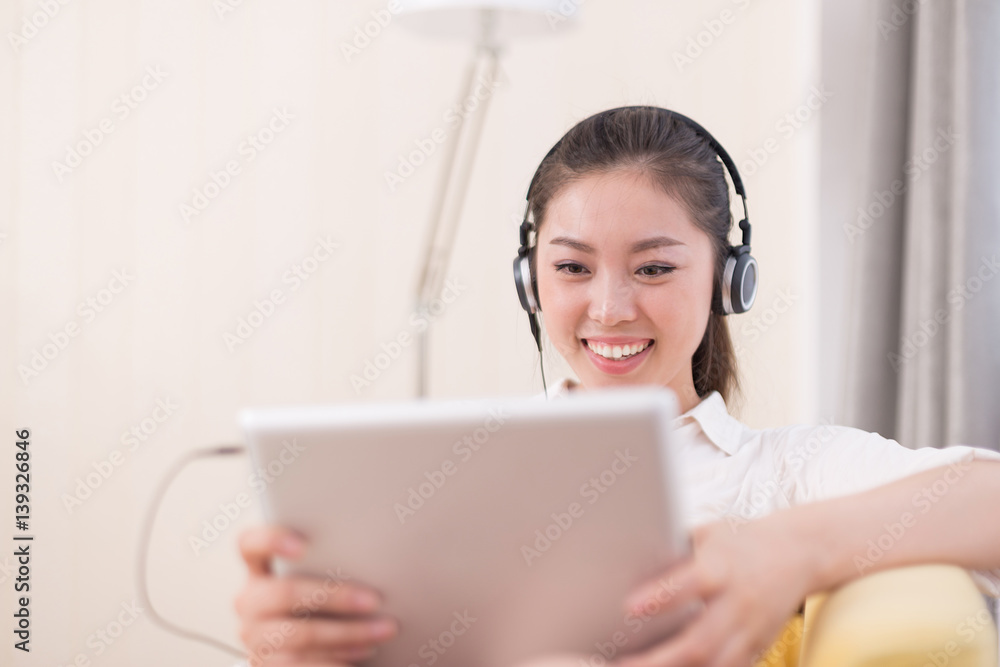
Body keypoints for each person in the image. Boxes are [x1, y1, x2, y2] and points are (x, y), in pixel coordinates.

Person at [232, 107, 1000, 667]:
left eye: (655, 267)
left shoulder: (790, 474)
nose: (609, 309)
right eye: (571, 267)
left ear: (728, 281)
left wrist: (788, 548)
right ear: (530, 282)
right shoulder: (446, 471)